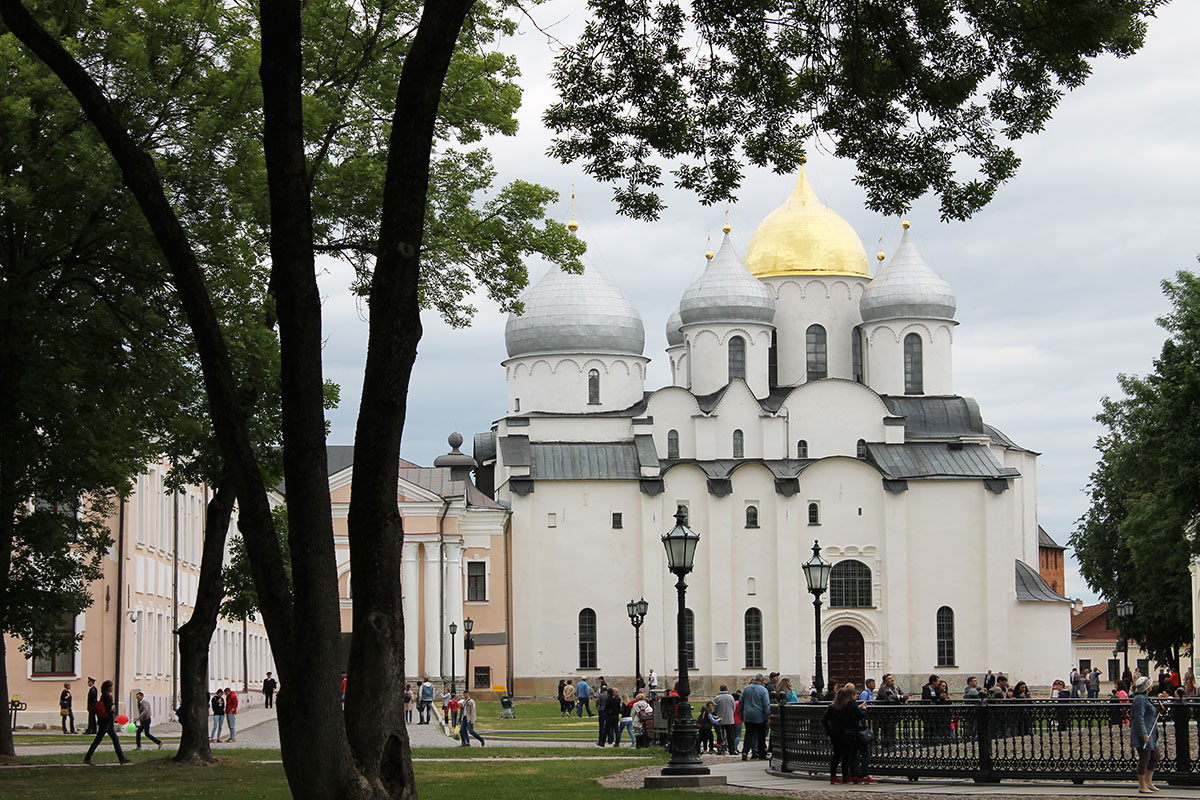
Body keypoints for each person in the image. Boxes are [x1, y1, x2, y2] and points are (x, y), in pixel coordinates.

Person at [83, 679, 130, 765]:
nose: (112, 688)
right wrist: (113, 708)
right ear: (108, 688)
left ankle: (122, 758)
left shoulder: (103, 696)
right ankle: (87, 758)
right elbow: (108, 710)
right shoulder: (108, 697)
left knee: (115, 739)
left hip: (106, 722)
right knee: (98, 740)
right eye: (111, 687)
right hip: (106, 722)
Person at [1131, 676, 1160, 793]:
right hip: (1143, 733)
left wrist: (1158, 710)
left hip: (1151, 733)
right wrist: (1144, 734)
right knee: (1145, 758)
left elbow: (1149, 714)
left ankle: (1148, 781)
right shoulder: (1140, 699)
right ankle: (1142, 785)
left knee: (1156, 756)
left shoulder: (1145, 698)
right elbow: (1139, 718)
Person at [740, 673, 771, 761]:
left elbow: (741, 701)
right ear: (762, 680)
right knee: (761, 735)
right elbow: (766, 704)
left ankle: (745, 752)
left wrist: (741, 713)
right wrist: (768, 715)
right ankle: (762, 754)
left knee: (748, 734)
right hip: (759, 715)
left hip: (748, 715)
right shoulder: (763, 690)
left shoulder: (747, 689)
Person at [714, 685, 738, 755]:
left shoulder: (717, 698)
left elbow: (715, 709)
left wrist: (717, 714)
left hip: (720, 719)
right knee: (731, 736)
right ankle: (731, 750)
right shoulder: (731, 697)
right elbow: (734, 707)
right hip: (730, 719)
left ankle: (721, 749)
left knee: (720, 735)